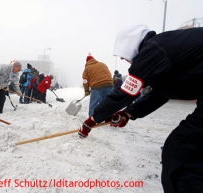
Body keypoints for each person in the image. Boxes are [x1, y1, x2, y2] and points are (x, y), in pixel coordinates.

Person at [78, 24, 203, 193]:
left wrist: (91, 120)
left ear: (130, 45)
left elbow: (125, 93)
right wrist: (128, 113)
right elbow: (160, 94)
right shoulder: (163, 48)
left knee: (180, 156)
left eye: (123, 54)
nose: (122, 59)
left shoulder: (153, 49)